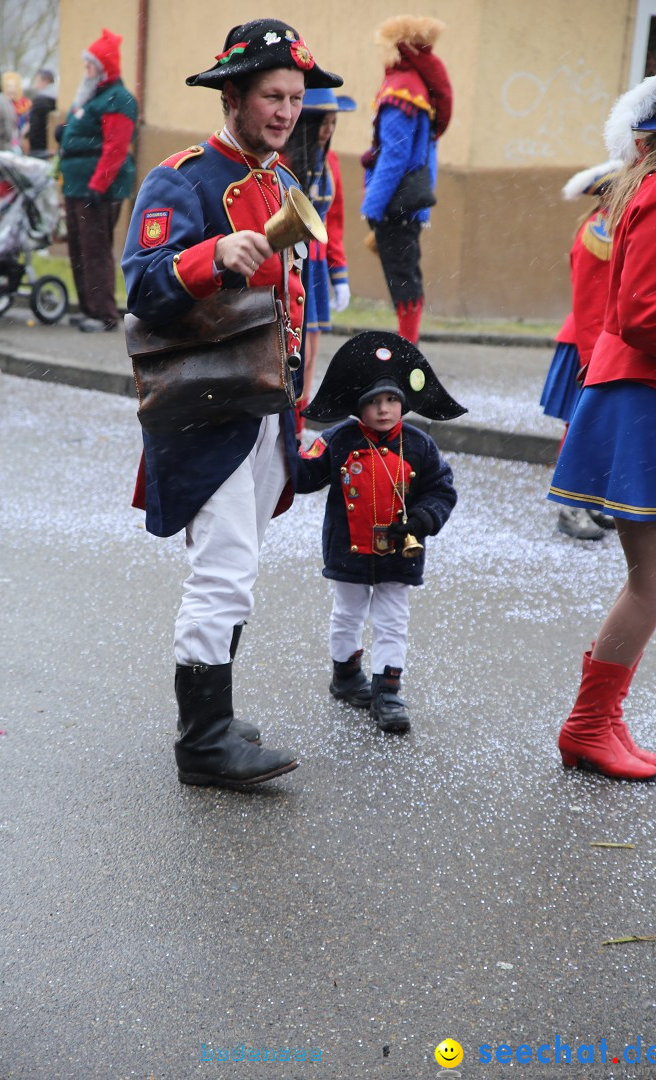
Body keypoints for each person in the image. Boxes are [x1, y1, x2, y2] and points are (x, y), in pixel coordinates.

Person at [121, 19, 343, 789]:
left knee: (239, 564)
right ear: (233, 96)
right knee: (220, 569)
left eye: (295, 98)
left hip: (265, 406)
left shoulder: (281, 182)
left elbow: (292, 305)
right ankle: (204, 741)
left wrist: (300, 406)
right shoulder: (181, 179)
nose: (287, 111)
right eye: (273, 97)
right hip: (206, 406)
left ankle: (214, 718)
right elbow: (142, 286)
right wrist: (211, 256)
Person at [548, 70, 656, 782]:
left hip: (647, 395)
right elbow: (643, 313)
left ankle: (601, 719)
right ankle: (589, 724)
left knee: (655, 578)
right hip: (640, 398)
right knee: (653, 580)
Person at [297, 331, 463, 732]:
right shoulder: (336, 440)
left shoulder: (420, 446)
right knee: (347, 614)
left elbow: (442, 490)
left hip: (399, 552)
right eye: (373, 402)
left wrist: (424, 519)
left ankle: (387, 689)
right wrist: (285, 440)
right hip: (347, 550)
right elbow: (304, 476)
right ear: (358, 407)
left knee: (392, 618)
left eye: (391, 400)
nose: (384, 409)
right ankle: (346, 674)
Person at [540, 160, 622, 541]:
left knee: (592, 428)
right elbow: (591, 305)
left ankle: (586, 500)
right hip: (586, 346)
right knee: (578, 428)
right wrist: (591, 360)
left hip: (599, 344)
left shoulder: (612, 227)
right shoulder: (598, 233)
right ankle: (570, 509)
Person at [361, 15, 453, 344]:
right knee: (408, 275)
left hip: (393, 203)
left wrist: (372, 205)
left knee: (403, 279)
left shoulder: (401, 89)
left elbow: (395, 155)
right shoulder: (421, 90)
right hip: (409, 202)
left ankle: (407, 347)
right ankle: (408, 343)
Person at [282, 86, 355, 431]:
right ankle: (286, 423)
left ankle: (299, 425)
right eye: (322, 122)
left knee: (310, 354)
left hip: (316, 267)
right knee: (291, 354)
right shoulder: (282, 162)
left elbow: (334, 222)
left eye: (333, 122)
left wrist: (339, 274)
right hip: (289, 264)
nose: (328, 130)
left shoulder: (332, 163)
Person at [57, 29, 136, 332]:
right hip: (78, 184)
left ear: (103, 68)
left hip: (96, 188)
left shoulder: (118, 99)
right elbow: (85, 128)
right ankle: (89, 308)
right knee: (78, 248)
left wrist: (98, 186)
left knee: (95, 250)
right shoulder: (94, 96)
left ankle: (103, 314)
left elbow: (115, 148)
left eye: (90, 65)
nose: (85, 71)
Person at [24, 68, 57, 157]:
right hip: (52, 148)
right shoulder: (58, 98)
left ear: (45, 81)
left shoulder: (40, 101)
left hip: (39, 151)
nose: (35, 86)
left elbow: (34, 128)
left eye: (37, 81)